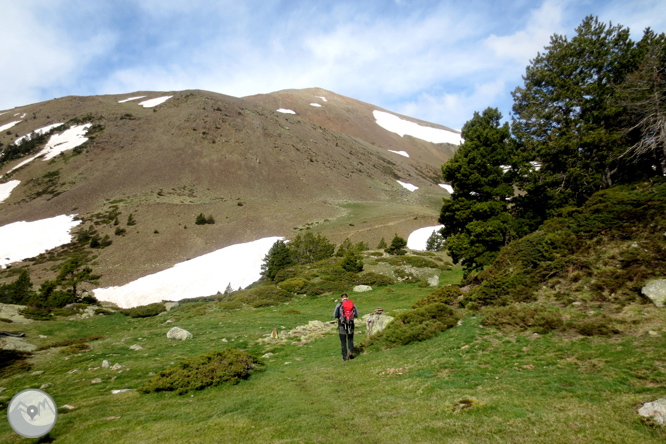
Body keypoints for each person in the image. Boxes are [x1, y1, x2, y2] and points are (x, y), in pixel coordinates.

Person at [333, 293, 358, 361]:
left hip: (342, 325)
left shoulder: (339, 305)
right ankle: (351, 352)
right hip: (350, 324)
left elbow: (335, 315)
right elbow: (356, 315)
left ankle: (345, 357)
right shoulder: (352, 304)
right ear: (347, 297)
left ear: (341, 298)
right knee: (350, 339)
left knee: (343, 341)